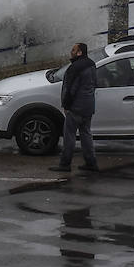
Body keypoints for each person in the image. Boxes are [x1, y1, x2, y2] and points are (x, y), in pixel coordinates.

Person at [52, 42, 98, 172]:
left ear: (79, 53)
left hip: (76, 107)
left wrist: (66, 105)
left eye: (73, 50)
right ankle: (91, 163)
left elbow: (70, 90)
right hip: (88, 106)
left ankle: (65, 164)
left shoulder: (75, 68)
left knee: (69, 136)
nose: (70, 52)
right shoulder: (91, 64)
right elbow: (95, 83)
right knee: (86, 134)